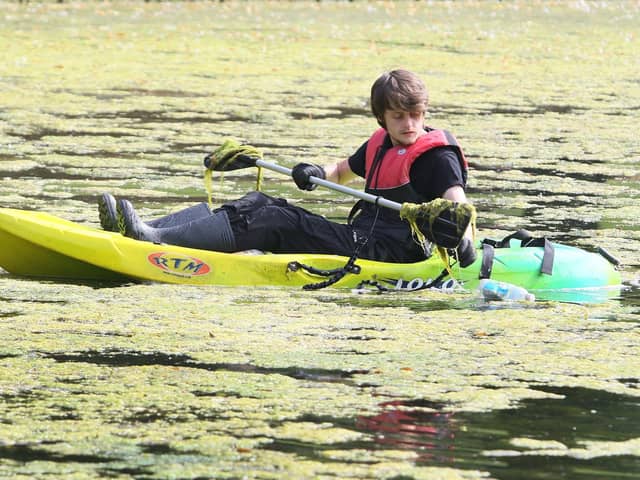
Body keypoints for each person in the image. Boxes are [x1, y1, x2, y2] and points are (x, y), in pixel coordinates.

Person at [99, 69, 476, 267]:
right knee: (261, 202)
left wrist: (461, 240)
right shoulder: (380, 144)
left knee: (276, 220)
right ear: (382, 118)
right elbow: (342, 171)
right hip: (363, 238)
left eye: (416, 115)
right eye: (399, 116)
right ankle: (150, 229)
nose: (409, 124)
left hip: (395, 254)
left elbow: (460, 208)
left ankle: (155, 242)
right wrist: (313, 172)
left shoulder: (435, 157)